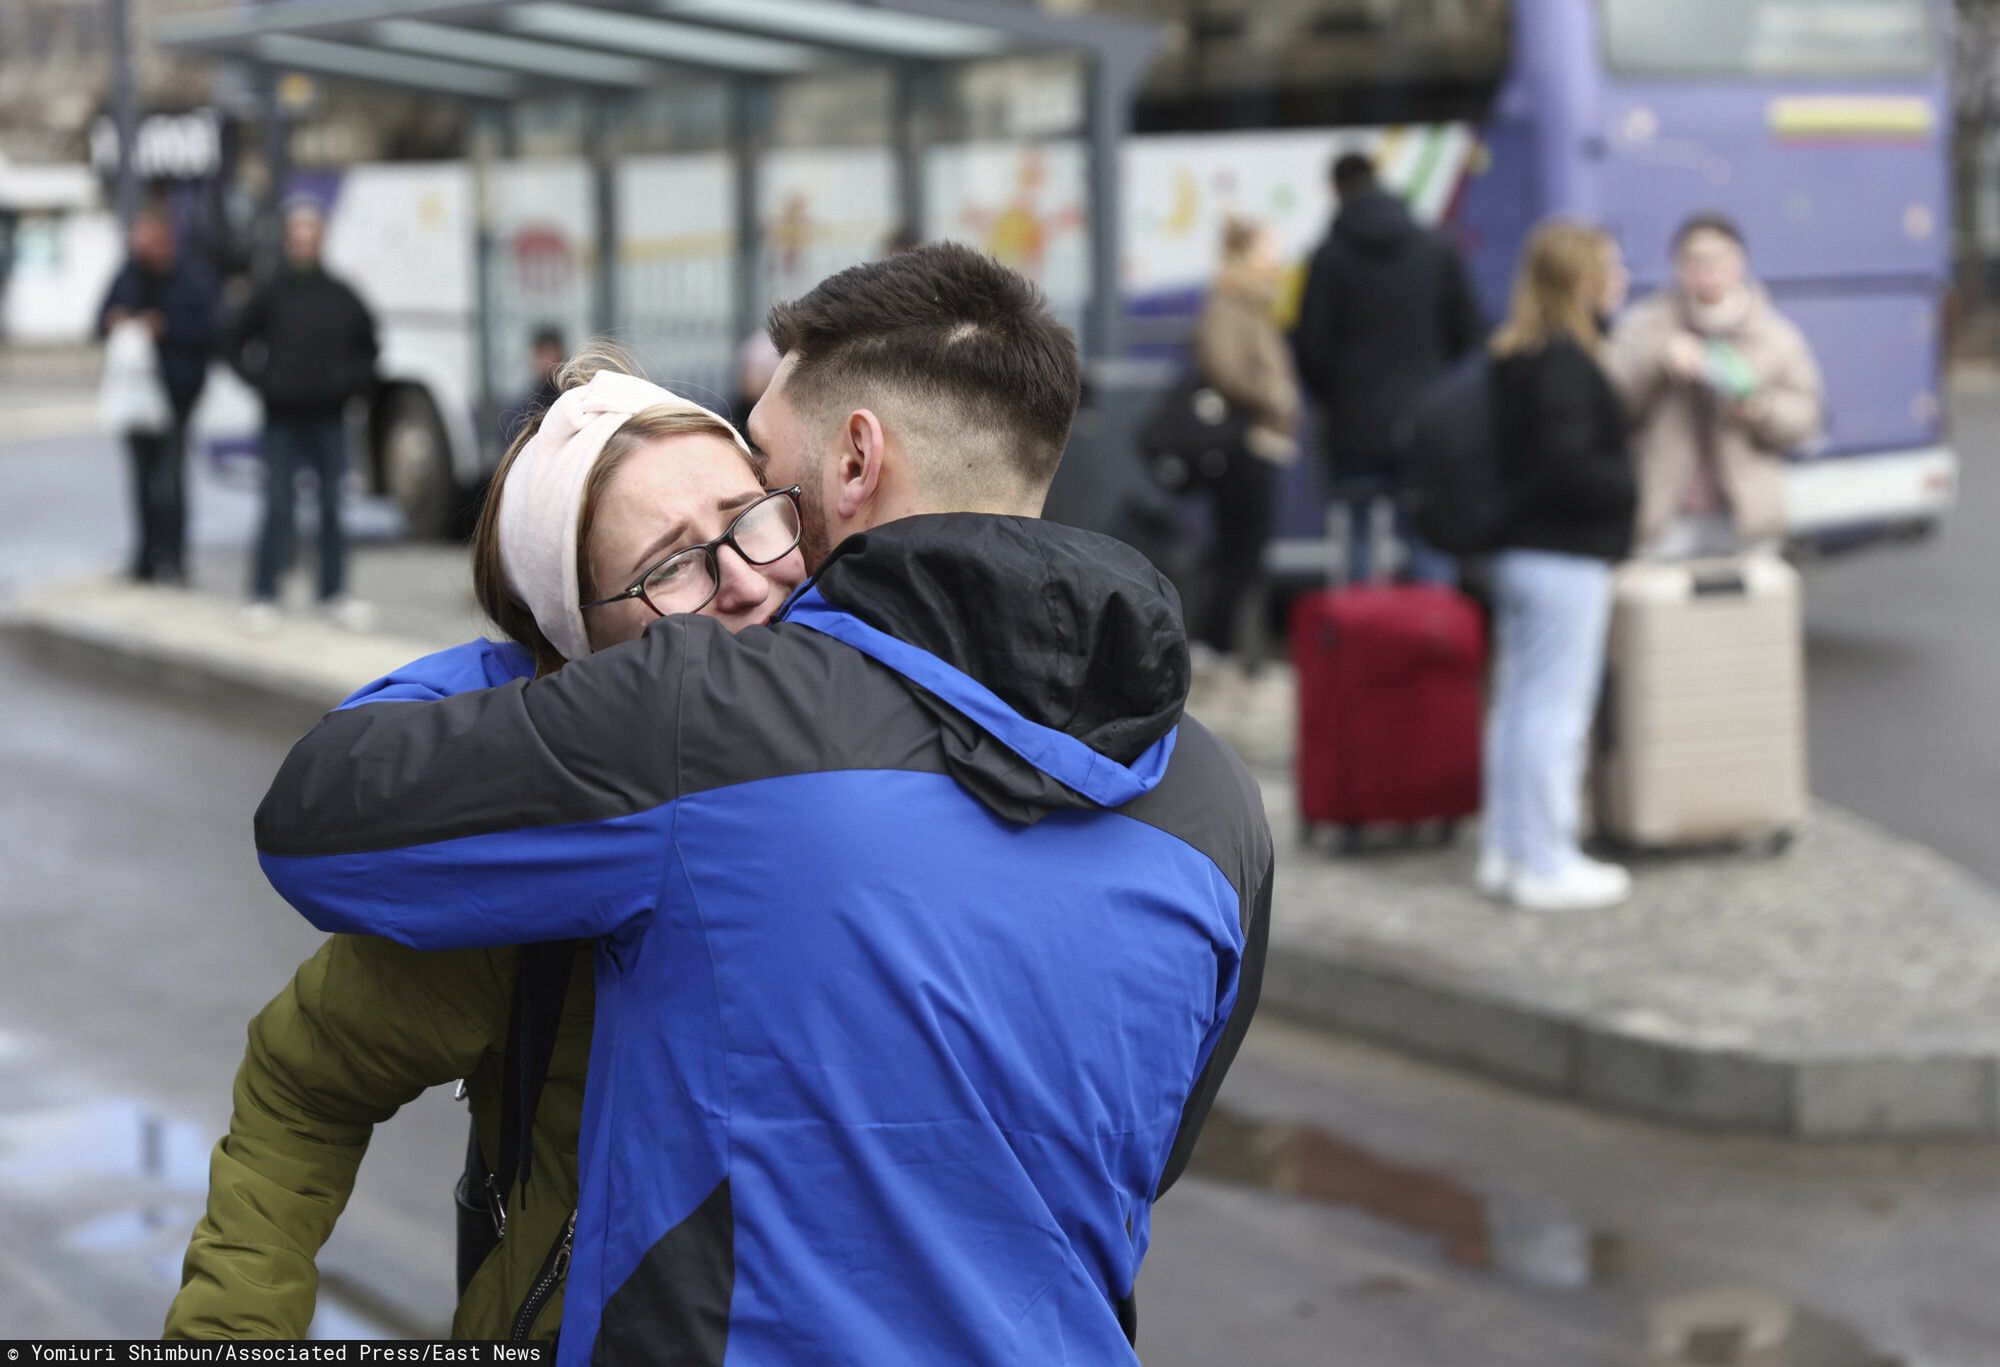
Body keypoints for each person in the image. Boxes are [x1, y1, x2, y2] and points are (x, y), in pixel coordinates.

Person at [252, 243, 1271, 1365]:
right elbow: (1141, 1151)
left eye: (769, 488)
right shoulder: (1217, 804)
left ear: (854, 462)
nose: (752, 565)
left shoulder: (702, 720)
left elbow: (315, 815)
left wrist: (546, 670)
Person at [165, 350, 807, 1340]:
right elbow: (303, 1084)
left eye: (751, 515)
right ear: (579, 644)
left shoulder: (907, 743)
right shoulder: (543, 859)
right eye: (669, 564)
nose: (742, 581)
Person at [1482, 221, 1639, 912]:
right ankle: (1545, 861)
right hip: (1564, 555)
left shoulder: (1519, 353)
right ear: (1581, 280)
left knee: (1520, 706)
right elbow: (1569, 466)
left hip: (1525, 551)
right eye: (1611, 270)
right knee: (1555, 712)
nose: (1622, 282)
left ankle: (1508, 849)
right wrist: (1629, 484)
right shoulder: (1566, 364)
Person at [1293, 151, 1484, 584]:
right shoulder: (1437, 248)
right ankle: (1435, 641)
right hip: (1426, 419)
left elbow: (1310, 346)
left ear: (1336, 188)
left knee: (1358, 537)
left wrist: (1337, 395)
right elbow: (1468, 330)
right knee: (1428, 537)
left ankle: (1363, 643)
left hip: (1354, 426)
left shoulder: (1328, 257)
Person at [1608, 213, 1823, 560]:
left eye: (1718, 258)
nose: (1707, 269)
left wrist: (1761, 410)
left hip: (1745, 517)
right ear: (1677, 265)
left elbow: (1807, 418)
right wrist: (1659, 362)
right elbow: (1610, 405)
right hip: (1664, 516)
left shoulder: (1774, 334)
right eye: (1694, 260)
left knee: (1746, 612)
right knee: (1663, 611)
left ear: (1740, 261)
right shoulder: (1645, 325)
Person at [223, 199, 379, 633]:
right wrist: (264, 381)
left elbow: (369, 347)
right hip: (281, 416)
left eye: (312, 235)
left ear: (321, 239)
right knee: (277, 504)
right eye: (298, 235)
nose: (305, 243)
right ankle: (263, 593)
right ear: (289, 240)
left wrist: (350, 384)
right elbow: (233, 341)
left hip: (329, 415)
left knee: (331, 505)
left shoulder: (340, 293)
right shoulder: (271, 292)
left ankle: (333, 592)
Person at [1188, 214, 1300, 669]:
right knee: (1239, 551)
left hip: (1262, 440)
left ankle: (1229, 648)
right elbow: (1226, 366)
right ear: (1243, 253)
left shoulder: (1252, 300)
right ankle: (1221, 647)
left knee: (1246, 551)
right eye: (1267, 246)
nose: (1276, 256)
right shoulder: (1230, 301)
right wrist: (1272, 395)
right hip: (1246, 442)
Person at [96, 208, 220, 585]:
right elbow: (98, 318)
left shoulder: (191, 277)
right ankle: (145, 557)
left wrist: (166, 328)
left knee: (170, 482)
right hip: (134, 397)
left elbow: (212, 329)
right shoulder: (128, 275)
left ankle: (175, 558)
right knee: (141, 481)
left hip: (175, 395)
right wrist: (114, 321)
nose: (140, 245)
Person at [501, 325, 567, 441]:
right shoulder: (524, 407)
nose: (545, 361)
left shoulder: (572, 397)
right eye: (541, 354)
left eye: (549, 353)